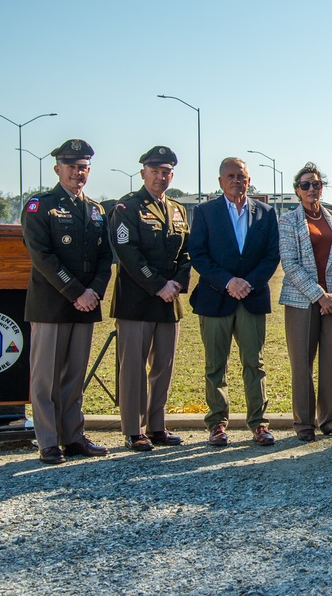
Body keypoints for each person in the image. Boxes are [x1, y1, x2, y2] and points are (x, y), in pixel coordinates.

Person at [21, 139, 112, 464]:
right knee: (45, 377)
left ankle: (72, 436)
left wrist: (95, 291)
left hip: (86, 304)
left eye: (83, 167)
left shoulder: (95, 210)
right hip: (52, 304)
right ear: (58, 168)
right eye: (71, 166)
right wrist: (77, 292)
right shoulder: (40, 205)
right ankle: (48, 441)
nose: (78, 173)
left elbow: (105, 257)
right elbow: (42, 256)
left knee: (74, 377)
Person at [188, 157, 280, 447]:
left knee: (255, 363)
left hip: (252, 298)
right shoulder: (205, 212)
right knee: (216, 365)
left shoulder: (266, 213)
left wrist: (248, 283)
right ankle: (217, 424)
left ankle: (259, 424)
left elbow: (271, 256)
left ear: (249, 180)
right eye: (230, 176)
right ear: (220, 181)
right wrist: (229, 282)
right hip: (216, 299)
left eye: (241, 176)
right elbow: (199, 254)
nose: (236, 181)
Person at [109, 146, 191, 451]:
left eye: (166, 172)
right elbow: (127, 253)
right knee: (133, 368)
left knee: (163, 368)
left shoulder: (178, 210)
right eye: (155, 171)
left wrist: (178, 283)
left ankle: (157, 426)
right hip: (137, 301)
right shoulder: (127, 208)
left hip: (169, 302)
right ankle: (133, 429)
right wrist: (158, 285)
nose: (160, 177)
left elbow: (187, 253)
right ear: (143, 172)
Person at [278, 163, 332, 441]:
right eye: (305, 185)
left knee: (331, 362)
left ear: (322, 187)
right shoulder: (288, 221)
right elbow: (291, 265)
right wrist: (319, 295)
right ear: (297, 190)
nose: (311, 189)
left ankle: (330, 419)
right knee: (302, 364)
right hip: (302, 301)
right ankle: (304, 423)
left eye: (316, 184)